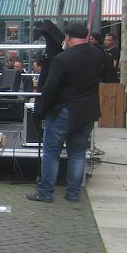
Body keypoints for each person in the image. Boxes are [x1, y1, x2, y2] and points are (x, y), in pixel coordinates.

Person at [28, 23, 107, 204]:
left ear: (68, 37)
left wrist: (43, 109)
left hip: (64, 110)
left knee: (51, 152)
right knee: (78, 152)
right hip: (87, 111)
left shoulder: (63, 59)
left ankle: (46, 192)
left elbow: (51, 87)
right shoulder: (98, 55)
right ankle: (73, 194)